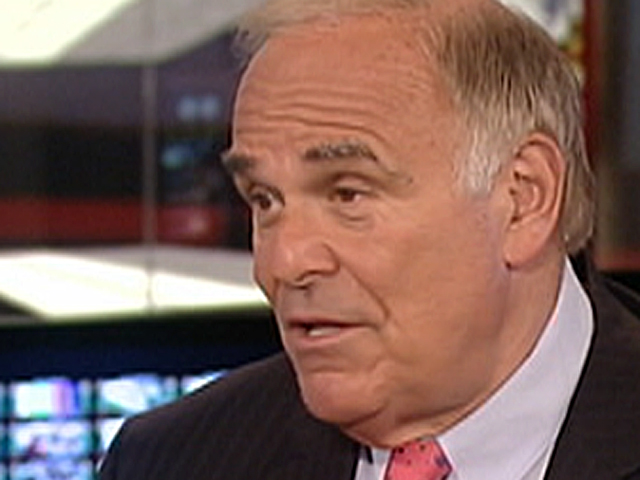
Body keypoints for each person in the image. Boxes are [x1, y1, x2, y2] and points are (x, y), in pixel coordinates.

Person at [99, 0, 640, 478]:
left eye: (347, 195)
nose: (283, 263)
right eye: (265, 200)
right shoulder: (169, 459)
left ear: (523, 199)